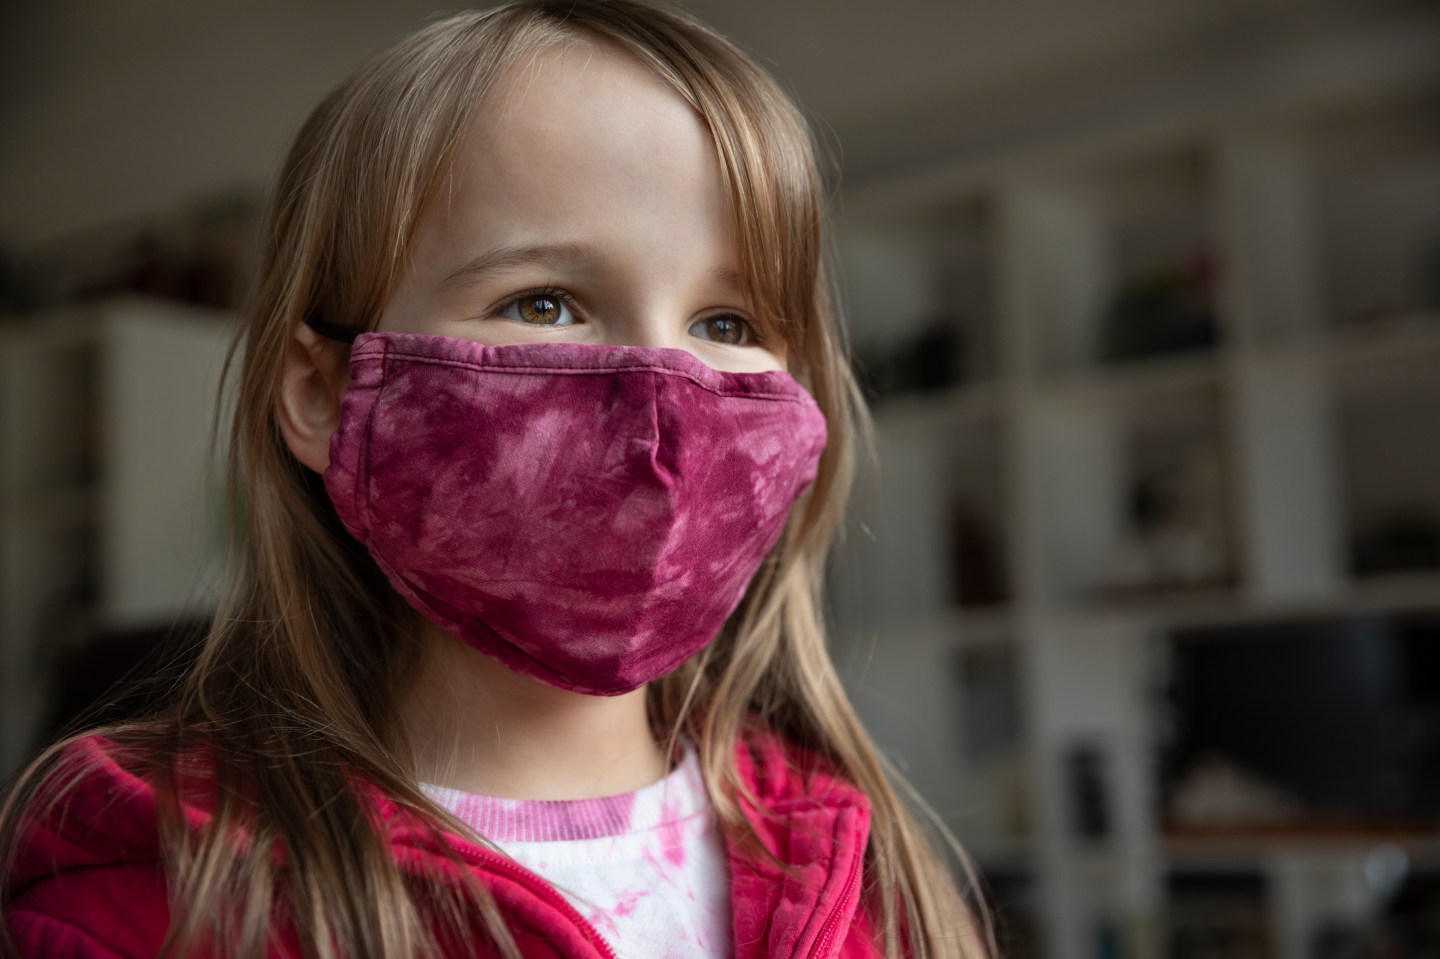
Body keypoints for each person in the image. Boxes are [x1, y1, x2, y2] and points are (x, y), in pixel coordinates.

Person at [0, 2, 991, 956]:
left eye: (725, 325)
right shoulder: (160, 898)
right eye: (546, 303)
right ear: (322, 391)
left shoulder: (876, 879)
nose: (665, 393)